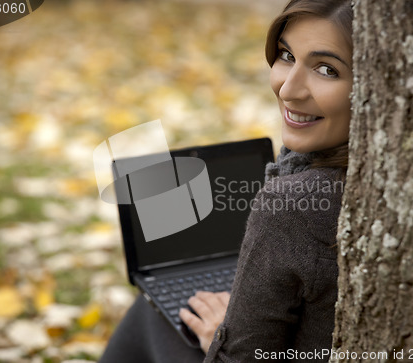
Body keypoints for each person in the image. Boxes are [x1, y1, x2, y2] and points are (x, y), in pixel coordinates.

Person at [99, 0, 352, 361]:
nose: (287, 89)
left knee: (155, 315)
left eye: (327, 69)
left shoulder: (294, 201)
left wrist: (221, 330)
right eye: (286, 56)